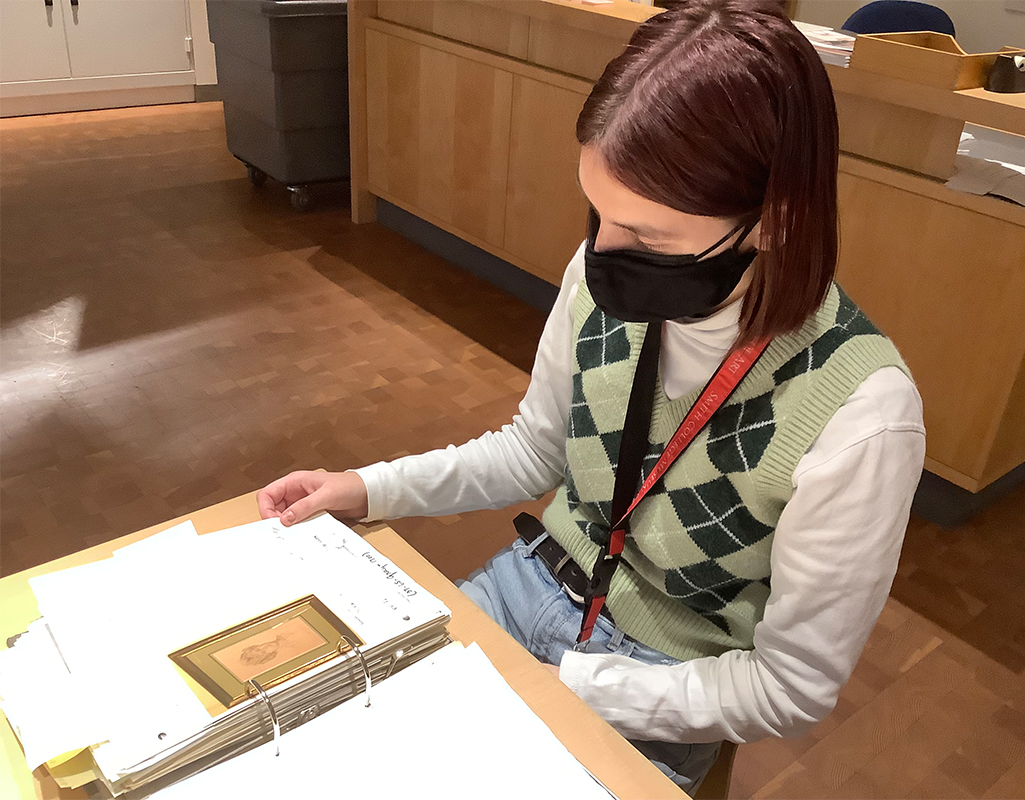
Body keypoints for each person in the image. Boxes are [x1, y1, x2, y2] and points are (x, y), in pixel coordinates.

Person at [257, 0, 925, 793]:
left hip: (665, 678)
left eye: (646, 238)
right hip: (528, 585)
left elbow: (788, 688)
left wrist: (573, 683)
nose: (602, 255)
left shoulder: (861, 417)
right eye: (597, 215)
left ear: (774, 221)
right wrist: (365, 489)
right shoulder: (602, 270)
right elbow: (533, 451)